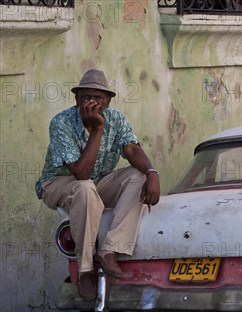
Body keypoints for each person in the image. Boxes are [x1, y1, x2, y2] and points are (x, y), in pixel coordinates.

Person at [35, 69, 160, 300]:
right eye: (86, 97)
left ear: (108, 101)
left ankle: (109, 249)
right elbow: (81, 173)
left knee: (138, 175)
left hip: (97, 183)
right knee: (84, 188)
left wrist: (152, 172)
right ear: (76, 99)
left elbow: (131, 148)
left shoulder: (117, 119)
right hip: (58, 183)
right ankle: (84, 270)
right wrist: (98, 129)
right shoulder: (61, 123)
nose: (92, 102)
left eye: (98, 98)